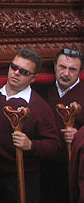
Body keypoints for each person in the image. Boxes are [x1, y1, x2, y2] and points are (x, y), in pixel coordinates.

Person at [0, 48, 61, 203]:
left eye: (24, 72)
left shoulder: (39, 107)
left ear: (34, 78)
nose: (16, 73)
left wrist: (31, 144)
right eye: (14, 67)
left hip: (20, 179)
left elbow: (54, 145)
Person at [40, 48, 84, 203]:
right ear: (54, 66)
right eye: (62, 67)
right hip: (45, 164)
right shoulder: (43, 91)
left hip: (74, 166)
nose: (66, 73)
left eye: (72, 69)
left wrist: (79, 135)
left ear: (80, 72)